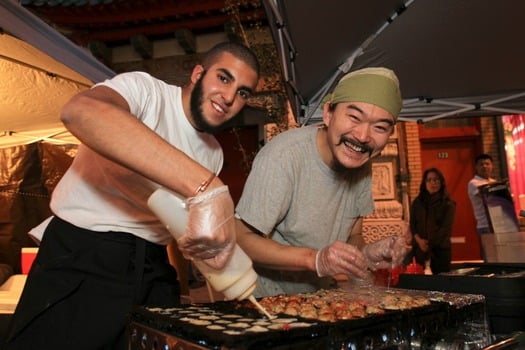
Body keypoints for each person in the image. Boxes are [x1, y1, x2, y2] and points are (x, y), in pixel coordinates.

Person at [4, 41, 260, 350]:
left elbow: (176, 227)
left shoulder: (213, 154)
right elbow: (80, 112)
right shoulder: (145, 91)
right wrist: (206, 186)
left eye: (243, 92)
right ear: (197, 73)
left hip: (151, 266)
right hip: (84, 251)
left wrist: (189, 281)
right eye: (223, 77)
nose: (230, 97)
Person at [235, 67, 412, 297]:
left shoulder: (361, 164)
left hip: (323, 301)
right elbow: (241, 238)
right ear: (328, 113)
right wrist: (315, 259)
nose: (363, 136)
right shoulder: (284, 156)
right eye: (354, 117)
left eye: (379, 127)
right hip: (268, 303)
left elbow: (353, 236)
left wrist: (367, 253)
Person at [408, 168, 456, 274]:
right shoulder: (418, 202)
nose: (432, 183)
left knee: (441, 282)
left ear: (441, 182)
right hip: (419, 248)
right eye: (429, 180)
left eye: (436, 180)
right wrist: (419, 241)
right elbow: (412, 223)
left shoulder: (448, 204)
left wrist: (429, 245)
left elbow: (445, 228)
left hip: (440, 249)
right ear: (424, 183)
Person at [467, 154, 496, 235]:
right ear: (476, 167)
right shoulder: (473, 183)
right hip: (485, 225)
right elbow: (487, 196)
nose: (484, 166)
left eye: (487, 164)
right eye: (481, 164)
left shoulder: (494, 182)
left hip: (498, 224)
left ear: (492, 166)